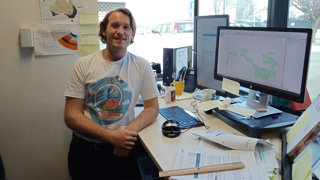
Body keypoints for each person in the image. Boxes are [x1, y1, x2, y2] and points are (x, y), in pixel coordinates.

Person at [64, 8, 159, 180]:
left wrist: (127, 134)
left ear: (132, 34)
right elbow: (71, 115)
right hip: (86, 151)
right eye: (115, 25)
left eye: (126, 27)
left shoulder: (141, 65)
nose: (120, 31)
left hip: (123, 150)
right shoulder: (83, 64)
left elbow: (152, 108)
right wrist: (112, 136)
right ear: (103, 30)